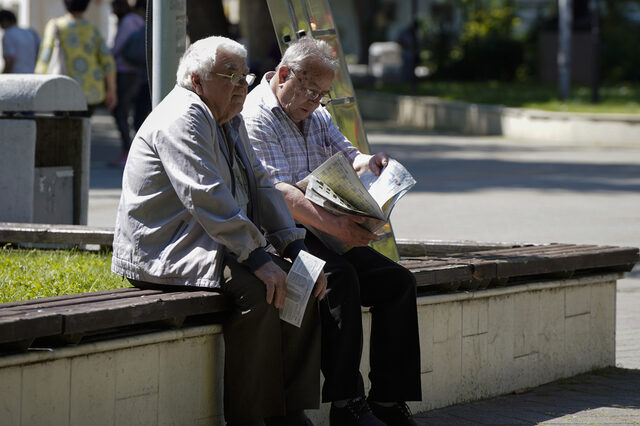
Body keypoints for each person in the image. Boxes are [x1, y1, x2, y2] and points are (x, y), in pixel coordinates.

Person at [111, 35, 326, 426]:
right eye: (230, 76)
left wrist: (293, 247)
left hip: (213, 242)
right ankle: (251, 417)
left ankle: (289, 410)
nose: (242, 86)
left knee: (303, 280)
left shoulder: (228, 117)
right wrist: (259, 257)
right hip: (171, 248)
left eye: (244, 77)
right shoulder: (184, 116)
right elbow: (205, 194)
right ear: (197, 80)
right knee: (261, 293)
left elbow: (262, 183)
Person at [243, 37, 421, 426]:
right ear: (285, 74)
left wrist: (369, 163)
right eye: (311, 91)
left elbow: (344, 152)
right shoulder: (256, 115)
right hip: (278, 237)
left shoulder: (315, 112)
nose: (316, 101)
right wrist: (339, 225)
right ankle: (347, 404)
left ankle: (389, 401)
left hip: (324, 231)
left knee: (398, 283)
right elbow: (278, 194)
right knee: (339, 280)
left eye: (323, 95)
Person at [35, 0, 116, 115]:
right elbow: (107, 61)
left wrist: (37, 85)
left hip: (63, 89)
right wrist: (111, 90)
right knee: (84, 128)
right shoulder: (92, 28)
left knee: (63, 128)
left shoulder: (56, 26)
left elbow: (45, 58)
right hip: (91, 90)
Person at [110, 0, 148, 167]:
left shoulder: (128, 21)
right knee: (134, 113)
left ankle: (128, 150)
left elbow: (118, 46)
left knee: (120, 111)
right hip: (137, 72)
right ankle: (134, 150)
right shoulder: (141, 21)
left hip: (123, 71)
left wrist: (106, 59)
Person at [0, 9, 40, 73]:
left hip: (16, 77)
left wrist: (4, 76)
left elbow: (9, 59)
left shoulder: (8, 34)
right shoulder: (30, 32)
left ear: (5, 21)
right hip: (33, 74)